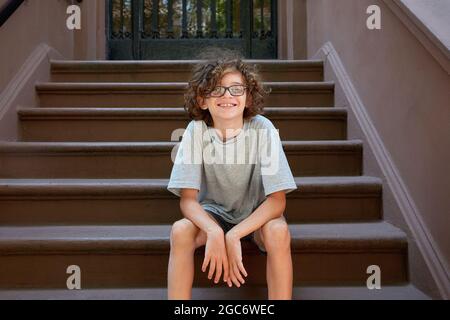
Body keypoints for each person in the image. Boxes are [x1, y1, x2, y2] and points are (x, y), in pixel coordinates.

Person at [167, 48, 298, 300]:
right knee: (180, 231)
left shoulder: (263, 128)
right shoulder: (196, 131)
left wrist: (235, 234)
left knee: (278, 232)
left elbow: (277, 202)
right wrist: (216, 232)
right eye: (216, 88)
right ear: (202, 99)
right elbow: (188, 201)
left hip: (257, 214)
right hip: (213, 214)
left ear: (248, 98)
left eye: (236, 88)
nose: (227, 95)